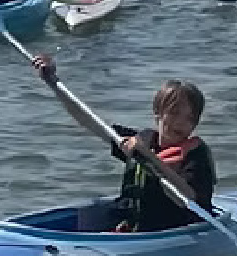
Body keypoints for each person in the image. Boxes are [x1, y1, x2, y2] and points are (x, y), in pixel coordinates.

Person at [32, 55, 216, 232]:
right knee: (90, 214)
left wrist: (151, 159)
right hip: (137, 225)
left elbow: (188, 199)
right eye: (174, 113)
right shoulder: (142, 140)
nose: (181, 123)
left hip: (175, 229)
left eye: (190, 118)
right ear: (157, 113)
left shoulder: (196, 155)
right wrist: (53, 83)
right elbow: (88, 121)